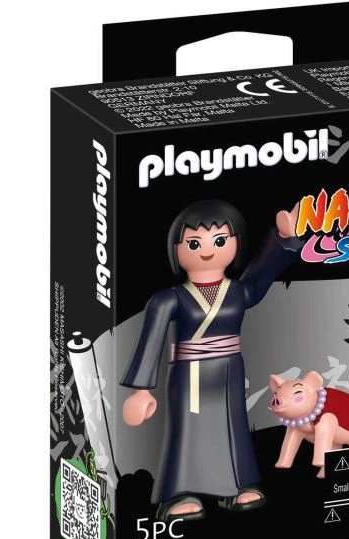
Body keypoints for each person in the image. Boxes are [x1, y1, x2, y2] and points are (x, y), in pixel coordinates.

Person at [120, 199, 302, 521]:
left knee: (233, 426)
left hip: (229, 370)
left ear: (235, 244)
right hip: (189, 374)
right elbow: (151, 341)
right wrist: (141, 391)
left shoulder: (237, 291)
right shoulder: (169, 299)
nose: (207, 251)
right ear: (176, 249)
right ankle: (180, 492)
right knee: (189, 430)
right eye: (194, 243)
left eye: (219, 241)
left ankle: (237, 485)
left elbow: (261, 275)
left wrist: (283, 238)